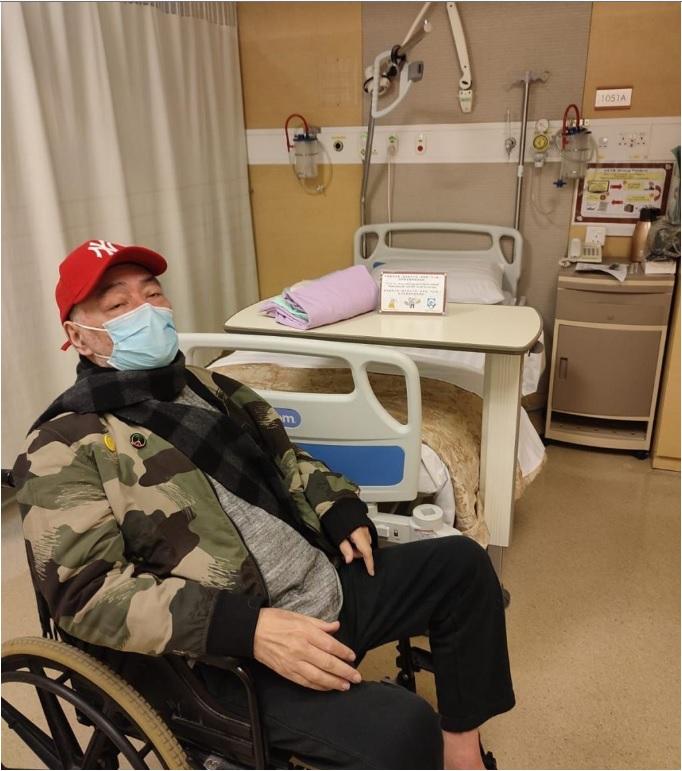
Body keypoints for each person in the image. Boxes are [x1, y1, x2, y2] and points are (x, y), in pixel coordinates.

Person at [13, 239, 515, 770]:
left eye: (153, 295)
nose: (146, 312)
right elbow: (85, 594)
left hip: (319, 583)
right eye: (118, 305)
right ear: (78, 336)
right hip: (221, 658)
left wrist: (337, 504)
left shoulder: (210, 386)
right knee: (405, 728)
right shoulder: (62, 447)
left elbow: (289, 457)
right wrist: (248, 629)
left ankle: (462, 753)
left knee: (462, 564)